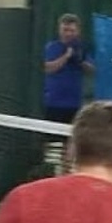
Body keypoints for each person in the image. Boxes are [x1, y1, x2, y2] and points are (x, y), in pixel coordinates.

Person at [42, 13, 95, 173]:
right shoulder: (52, 47)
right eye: (65, 30)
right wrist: (66, 56)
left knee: (70, 141)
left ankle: (65, 174)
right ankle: (41, 171)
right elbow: (49, 68)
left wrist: (80, 61)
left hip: (73, 104)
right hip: (51, 103)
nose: (68, 33)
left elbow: (92, 71)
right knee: (43, 141)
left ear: (77, 31)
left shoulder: (82, 49)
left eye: (71, 30)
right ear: (60, 30)